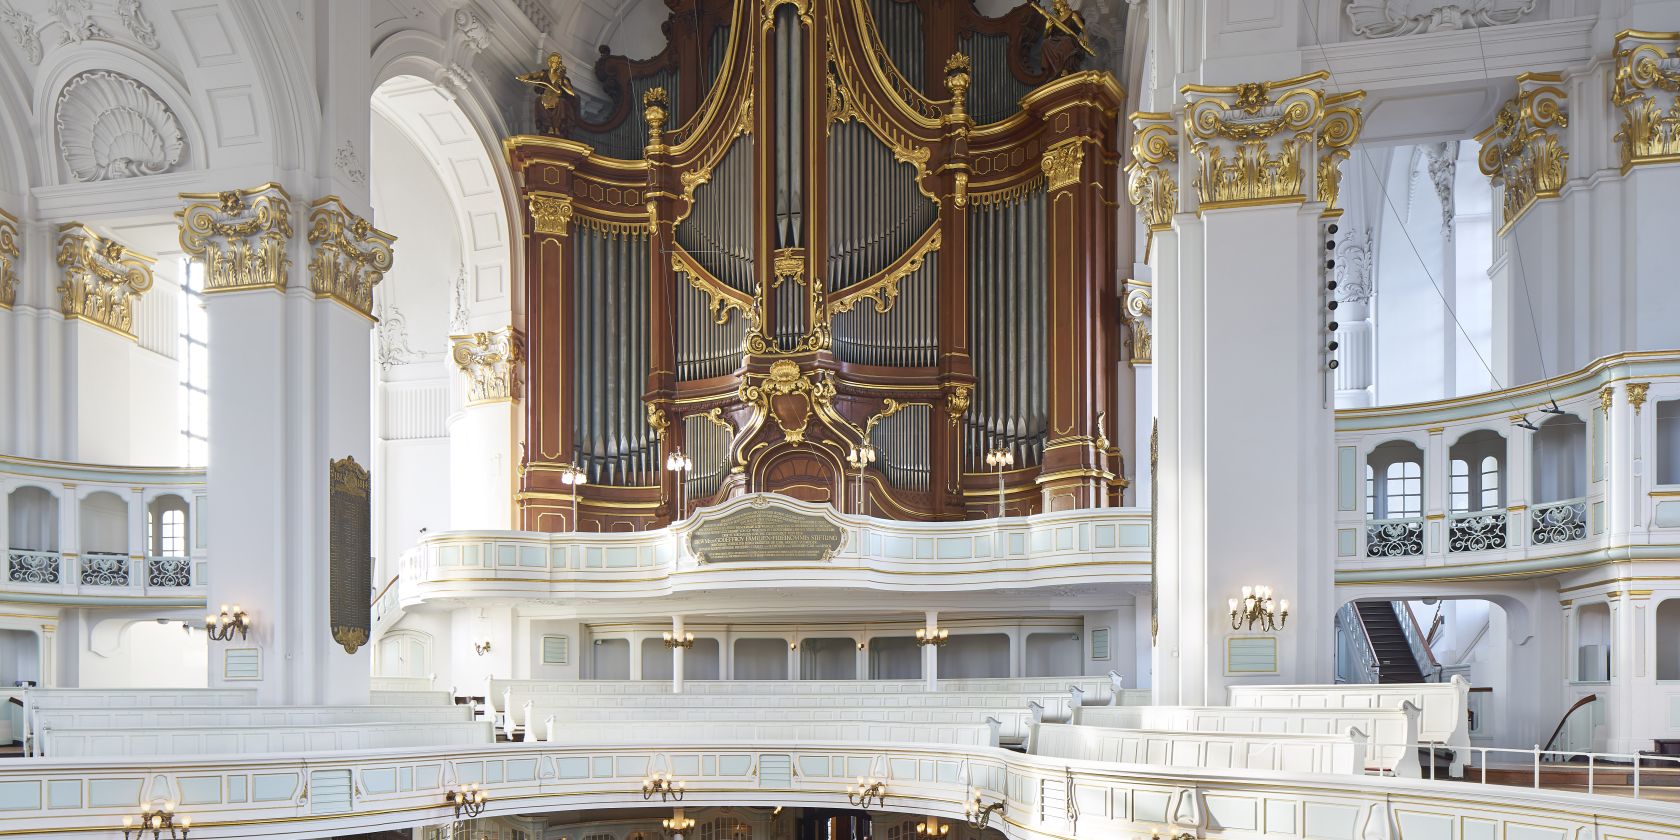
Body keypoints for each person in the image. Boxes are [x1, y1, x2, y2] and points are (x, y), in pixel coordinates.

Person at [517, 52, 579, 136]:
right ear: (549, 63)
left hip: (557, 99)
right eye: (553, 61)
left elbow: (571, 93)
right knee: (539, 100)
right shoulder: (544, 74)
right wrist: (524, 77)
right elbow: (533, 75)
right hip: (546, 97)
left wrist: (562, 86)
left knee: (561, 102)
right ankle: (548, 125)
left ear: (559, 64)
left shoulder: (562, 78)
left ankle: (557, 127)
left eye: (557, 62)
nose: (554, 64)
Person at [1040, 0, 1089, 78]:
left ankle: (1065, 69)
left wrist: (1085, 39)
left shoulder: (1072, 14)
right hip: (1056, 41)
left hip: (1071, 39)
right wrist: (1047, 27)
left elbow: (1083, 28)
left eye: (1057, 2)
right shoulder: (1054, 19)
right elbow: (1045, 36)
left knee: (1066, 41)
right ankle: (1053, 71)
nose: (1055, 4)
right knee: (1045, 43)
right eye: (1054, 3)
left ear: (1063, 3)